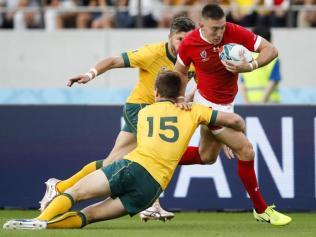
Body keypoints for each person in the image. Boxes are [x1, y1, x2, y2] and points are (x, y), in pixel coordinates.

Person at [3, 71, 247, 230]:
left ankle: (39, 221)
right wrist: (226, 136)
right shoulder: (193, 111)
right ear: (179, 95)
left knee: (77, 192)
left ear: (156, 93)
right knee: (90, 215)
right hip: (151, 190)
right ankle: (47, 227)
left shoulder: (144, 112)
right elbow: (235, 120)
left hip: (134, 166)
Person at [38, 16, 196, 221]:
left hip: (159, 112)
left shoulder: (193, 57)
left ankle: (59, 186)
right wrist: (90, 74)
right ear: (170, 37)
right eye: (180, 39)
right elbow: (113, 61)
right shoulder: (152, 53)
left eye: (188, 39)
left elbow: (203, 80)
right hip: (140, 108)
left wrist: (192, 96)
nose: (183, 44)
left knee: (112, 162)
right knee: (152, 150)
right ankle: (151, 205)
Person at [174, 4, 291, 225]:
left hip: (227, 105)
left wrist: (251, 65)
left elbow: (271, 50)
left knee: (206, 156)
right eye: (214, 29)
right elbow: (179, 72)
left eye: (221, 27)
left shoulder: (234, 32)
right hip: (206, 106)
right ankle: (261, 209)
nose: (219, 33)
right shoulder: (189, 43)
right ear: (201, 25)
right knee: (246, 150)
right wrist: (180, 98)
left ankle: (158, 157)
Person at [240, 25, 281, 104]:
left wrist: (246, 103)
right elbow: (273, 81)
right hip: (270, 103)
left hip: (250, 104)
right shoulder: (273, 58)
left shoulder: (245, 57)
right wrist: (261, 103)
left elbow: (243, 83)